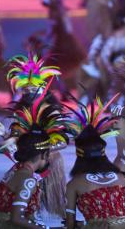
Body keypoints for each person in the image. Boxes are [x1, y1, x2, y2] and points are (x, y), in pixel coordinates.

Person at [0, 89, 70, 228]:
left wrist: (42, 148)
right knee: (26, 184)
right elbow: (19, 138)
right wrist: (6, 136)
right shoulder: (21, 114)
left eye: (33, 88)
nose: (30, 89)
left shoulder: (51, 111)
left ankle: (40, 210)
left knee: (38, 186)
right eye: (27, 89)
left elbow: (63, 141)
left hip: (47, 156)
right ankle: (31, 212)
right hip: (33, 156)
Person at [65, 95, 125, 229]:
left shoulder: (73, 184)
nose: (115, 122)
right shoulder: (122, 177)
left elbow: (69, 224)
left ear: (79, 154)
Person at [42, 0, 87, 99]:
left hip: (61, 41)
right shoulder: (58, 5)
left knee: (50, 67)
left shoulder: (55, 7)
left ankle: (63, 92)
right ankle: (64, 92)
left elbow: (54, 26)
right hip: (64, 40)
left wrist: (46, 39)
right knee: (52, 67)